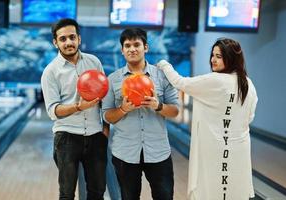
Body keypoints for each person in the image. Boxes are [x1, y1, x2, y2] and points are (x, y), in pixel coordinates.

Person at [157, 38, 258, 200]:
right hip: (239, 149)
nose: (213, 60)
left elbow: (180, 82)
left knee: (211, 190)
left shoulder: (215, 80)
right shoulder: (248, 84)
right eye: (213, 55)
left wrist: (163, 64)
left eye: (219, 56)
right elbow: (249, 117)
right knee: (233, 191)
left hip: (214, 148)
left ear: (230, 57)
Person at [102, 28, 179, 200]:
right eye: (127, 45)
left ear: (146, 47)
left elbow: (175, 110)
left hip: (158, 152)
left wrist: (158, 106)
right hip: (125, 153)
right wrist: (123, 109)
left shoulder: (162, 76)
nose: (132, 49)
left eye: (137, 44)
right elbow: (106, 116)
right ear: (122, 50)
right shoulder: (113, 79)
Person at [41, 18, 108, 200]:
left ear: (79, 38)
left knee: (97, 191)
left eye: (72, 37)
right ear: (55, 42)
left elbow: (104, 96)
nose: (68, 42)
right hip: (67, 138)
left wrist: (106, 128)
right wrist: (78, 107)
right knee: (67, 193)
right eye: (63, 39)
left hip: (95, 136)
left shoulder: (94, 62)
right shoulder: (51, 71)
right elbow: (52, 110)